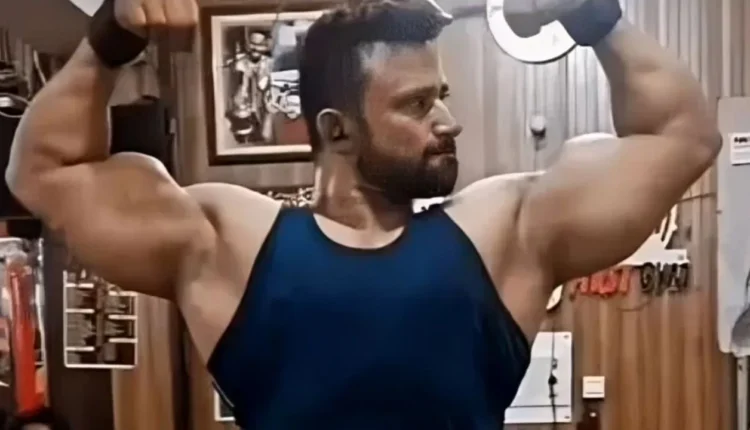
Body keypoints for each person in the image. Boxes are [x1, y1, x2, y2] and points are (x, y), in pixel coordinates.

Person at [5, 0, 720, 427]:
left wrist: (598, 18)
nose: (448, 121)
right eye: (417, 104)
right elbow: (43, 172)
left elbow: (684, 137)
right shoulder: (228, 240)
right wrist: (108, 42)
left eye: (441, 97)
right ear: (336, 130)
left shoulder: (506, 231)